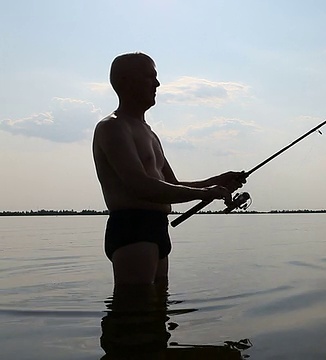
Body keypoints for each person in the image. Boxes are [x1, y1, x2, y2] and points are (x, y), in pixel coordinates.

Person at [92, 52, 245, 286]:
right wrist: (206, 194)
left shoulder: (149, 133)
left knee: (158, 308)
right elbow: (140, 186)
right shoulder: (112, 127)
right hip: (133, 227)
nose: (157, 84)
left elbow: (172, 186)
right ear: (125, 81)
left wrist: (217, 182)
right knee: (136, 309)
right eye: (149, 77)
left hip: (157, 227)